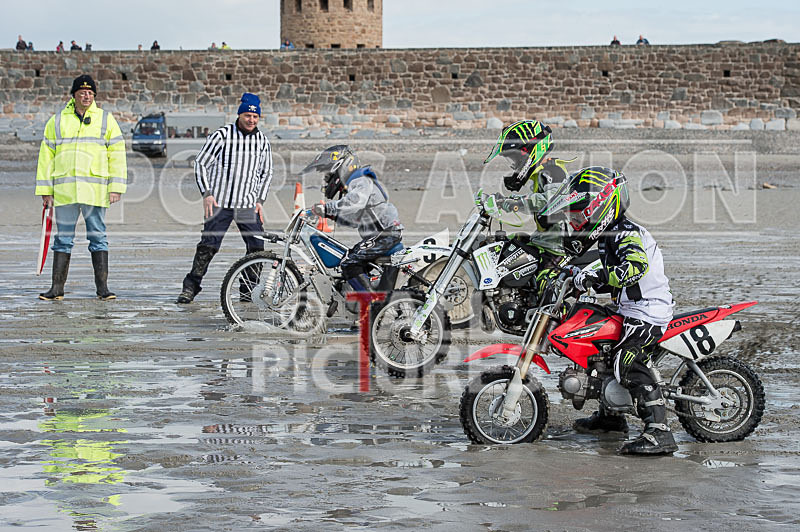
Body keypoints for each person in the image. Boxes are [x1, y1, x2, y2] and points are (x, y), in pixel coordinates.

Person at [537, 168, 677, 455]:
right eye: (572, 218)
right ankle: (611, 419)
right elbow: (597, 267)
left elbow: (635, 268)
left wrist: (596, 278)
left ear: (599, 207)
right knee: (600, 351)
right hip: (629, 307)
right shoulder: (607, 236)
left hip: (648, 311)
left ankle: (659, 431)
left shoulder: (626, 233)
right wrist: (571, 273)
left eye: (577, 216)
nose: (574, 222)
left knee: (627, 362)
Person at [35, 74, 127, 301]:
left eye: (90, 93)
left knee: (98, 237)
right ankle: (56, 289)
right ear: (74, 95)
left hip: (94, 191)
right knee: (63, 239)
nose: (86, 96)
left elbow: (117, 155)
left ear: (94, 96)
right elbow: (46, 157)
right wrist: (45, 190)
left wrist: (115, 187)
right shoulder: (57, 121)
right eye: (82, 92)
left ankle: (103, 289)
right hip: (65, 191)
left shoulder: (106, 119)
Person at [176, 93, 273, 304]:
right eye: (247, 115)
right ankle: (190, 288)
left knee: (257, 248)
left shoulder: (262, 141)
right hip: (220, 202)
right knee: (209, 246)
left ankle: (247, 291)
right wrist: (207, 193)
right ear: (240, 115)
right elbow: (201, 163)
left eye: (255, 117)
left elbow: (267, 173)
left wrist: (260, 201)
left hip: (247, 204)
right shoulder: (222, 136)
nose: (251, 120)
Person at [301, 145, 404, 294]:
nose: (326, 179)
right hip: (381, 234)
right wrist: (329, 214)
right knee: (348, 256)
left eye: (327, 174)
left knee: (349, 263)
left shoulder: (361, 180)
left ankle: (373, 305)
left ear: (340, 166)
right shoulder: (355, 184)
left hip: (385, 234)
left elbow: (355, 202)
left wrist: (327, 208)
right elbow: (354, 219)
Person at [477, 120, 575, 274]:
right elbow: (535, 199)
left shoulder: (554, 171)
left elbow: (548, 200)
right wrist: (502, 201)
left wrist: (511, 203)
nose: (514, 164)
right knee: (508, 247)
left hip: (558, 248)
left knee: (542, 285)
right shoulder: (540, 174)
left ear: (531, 150)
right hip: (542, 241)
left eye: (515, 158)